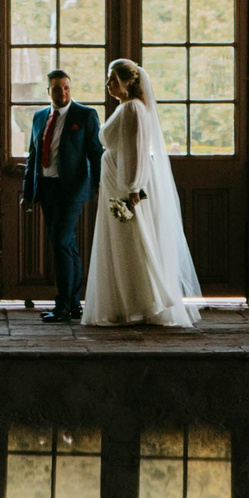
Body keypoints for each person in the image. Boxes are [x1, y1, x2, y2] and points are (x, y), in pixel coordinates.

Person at [81, 59, 202, 328]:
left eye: (113, 79)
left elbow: (136, 150)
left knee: (131, 241)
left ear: (127, 82)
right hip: (115, 181)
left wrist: (132, 188)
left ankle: (140, 303)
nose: (108, 84)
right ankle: (124, 304)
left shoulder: (133, 109)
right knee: (121, 242)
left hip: (123, 186)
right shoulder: (126, 107)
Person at [19, 68, 102, 322]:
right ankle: (75, 304)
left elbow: (96, 154)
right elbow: (33, 157)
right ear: (49, 91)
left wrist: (100, 186)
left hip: (72, 189)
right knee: (67, 244)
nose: (63, 92)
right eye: (57, 88)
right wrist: (28, 192)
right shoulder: (39, 117)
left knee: (59, 241)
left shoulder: (85, 115)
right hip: (47, 188)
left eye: (66, 87)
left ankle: (63, 306)